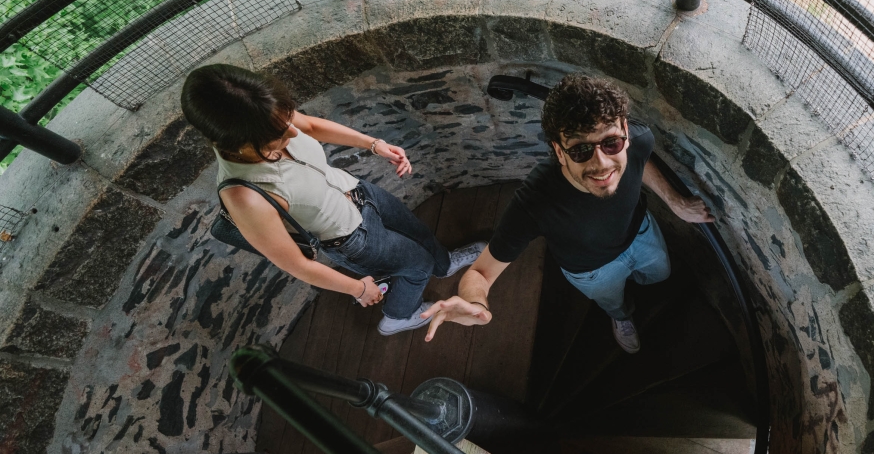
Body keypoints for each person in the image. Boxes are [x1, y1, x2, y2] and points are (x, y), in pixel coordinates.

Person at [180, 64, 483, 336]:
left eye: (287, 121)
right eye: (281, 135)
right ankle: (398, 317)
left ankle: (443, 265)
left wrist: (374, 144)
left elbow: (309, 126)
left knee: (417, 232)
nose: (294, 131)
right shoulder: (245, 196)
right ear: (241, 142)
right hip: (351, 237)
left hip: (361, 193)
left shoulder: (265, 115)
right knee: (417, 266)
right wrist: (359, 288)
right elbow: (298, 265)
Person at [422, 74, 713, 352]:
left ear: (625, 131)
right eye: (580, 151)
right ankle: (621, 316)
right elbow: (481, 272)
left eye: (611, 143)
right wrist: (476, 304)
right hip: (594, 271)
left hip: (640, 233)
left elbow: (639, 160)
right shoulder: (536, 201)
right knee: (615, 303)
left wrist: (676, 202)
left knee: (660, 275)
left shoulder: (638, 139)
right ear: (559, 152)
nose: (602, 163)